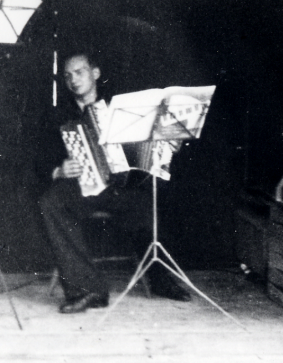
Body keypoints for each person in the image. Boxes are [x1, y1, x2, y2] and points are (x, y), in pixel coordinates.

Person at [36, 51, 191, 313]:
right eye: (68, 76)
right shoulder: (58, 115)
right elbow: (39, 160)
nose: (73, 80)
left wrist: (166, 145)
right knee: (50, 202)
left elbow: (148, 149)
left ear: (95, 74)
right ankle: (87, 290)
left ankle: (160, 279)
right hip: (84, 187)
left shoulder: (121, 108)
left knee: (148, 200)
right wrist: (58, 170)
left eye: (79, 72)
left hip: (124, 188)